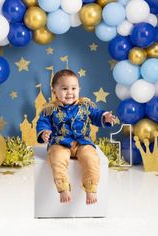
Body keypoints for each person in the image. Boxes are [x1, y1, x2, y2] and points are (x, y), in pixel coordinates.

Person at [36, 69, 118, 205]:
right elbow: (42, 123)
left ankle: (91, 187)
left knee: (91, 157)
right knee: (57, 158)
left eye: (73, 88)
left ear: (79, 89)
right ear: (54, 90)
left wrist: (105, 117)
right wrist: (44, 132)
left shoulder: (85, 105)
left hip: (82, 142)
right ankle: (63, 187)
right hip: (60, 142)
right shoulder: (49, 109)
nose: (69, 92)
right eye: (64, 88)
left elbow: (97, 115)